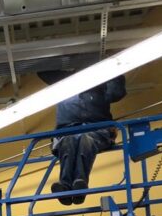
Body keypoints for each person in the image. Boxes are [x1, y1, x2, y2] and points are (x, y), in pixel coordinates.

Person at [38, 70, 127, 206]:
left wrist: (113, 69)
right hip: (68, 132)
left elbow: (117, 92)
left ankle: (79, 182)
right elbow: (43, 72)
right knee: (68, 141)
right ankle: (66, 184)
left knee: (85, 139)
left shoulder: (99, 86)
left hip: (98, 131)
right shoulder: (63, 86)